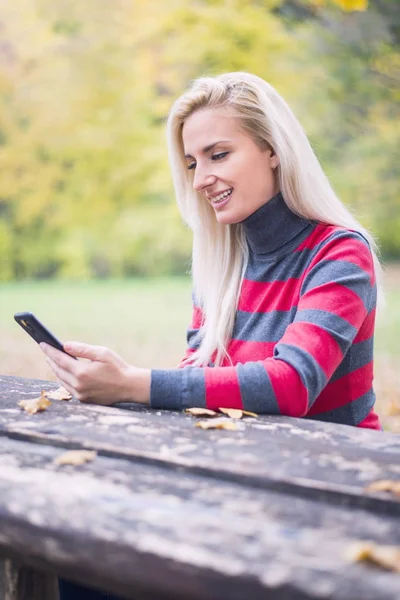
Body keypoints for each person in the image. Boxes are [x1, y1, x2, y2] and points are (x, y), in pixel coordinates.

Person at [41, 71, 383, 429]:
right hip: (247, 460)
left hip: (336, 468)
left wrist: (132, 383)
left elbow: (292, 385)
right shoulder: (221, 261)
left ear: (273, 150)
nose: (199, 179)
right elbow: (199, 379)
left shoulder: (339, 253)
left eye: (218, 155)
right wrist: (115, 385)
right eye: (192, 163)